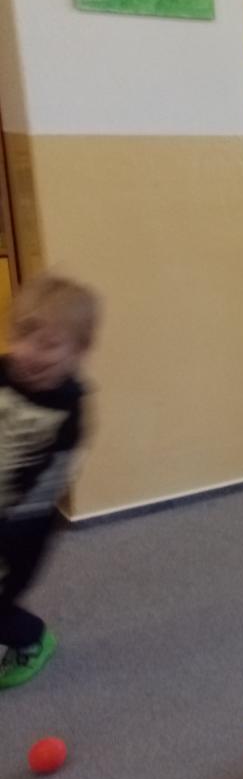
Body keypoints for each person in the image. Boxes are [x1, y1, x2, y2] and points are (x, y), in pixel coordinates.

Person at [0, 274, 98, 690]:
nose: (31, 352)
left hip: (18, 533)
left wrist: (10, 532)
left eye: (49, 344)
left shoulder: (69, 408)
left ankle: (32, 638)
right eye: (24, 336)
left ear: (78, 352)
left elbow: (47, 487)